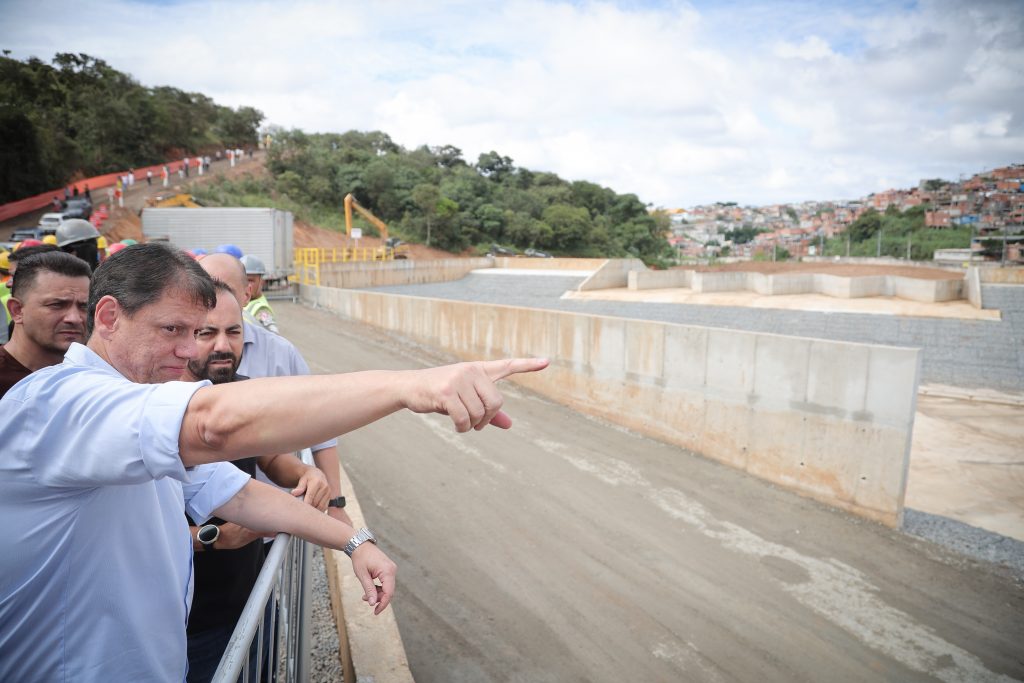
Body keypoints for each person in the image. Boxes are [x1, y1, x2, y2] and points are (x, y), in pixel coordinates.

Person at [0, 242, 546, 681]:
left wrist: (353, 541)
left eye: (196, 333)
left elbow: (237, 493)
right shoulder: (57, 404)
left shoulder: (129, 406)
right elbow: (215, 425)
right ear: (110, 316)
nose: (191, 352)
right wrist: (409, 385)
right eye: (173, 330)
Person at [183, 281, 329, 681]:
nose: (223, 346)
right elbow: (128, 535)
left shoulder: (247, 391)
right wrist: (211, 537)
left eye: (233, 332)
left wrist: (305, 472)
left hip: (253, 595)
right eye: (207, 332)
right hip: (191, 624)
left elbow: (269, 456)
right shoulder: (155, 407)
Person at [200, 253, 348, 525]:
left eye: (225, 290)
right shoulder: (172, 365)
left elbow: (318, 429)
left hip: (268, 527)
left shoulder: (280, 355)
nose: (216, 299)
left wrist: (334, 502)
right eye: (205, 290)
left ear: (246, 294)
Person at [0, 250, 90, 396]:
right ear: (17, 310)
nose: (74, 318)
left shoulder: (95, 380)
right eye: (57, 305)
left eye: (84, 306)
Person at [240, 254, 278, 334]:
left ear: (262, 282)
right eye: (242, 280)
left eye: (250, 280)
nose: (245, 284)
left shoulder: (261, 310)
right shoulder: (239, 302)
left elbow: (274, 338)